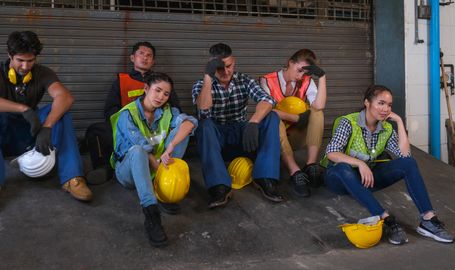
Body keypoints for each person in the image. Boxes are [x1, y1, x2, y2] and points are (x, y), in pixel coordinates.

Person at [0, 31, 92, 211]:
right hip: (2, 136)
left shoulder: (43, 73)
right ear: (9, 55)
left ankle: (73, 178)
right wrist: (23, 108)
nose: (26, 66)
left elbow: (65, 97)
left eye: (30, 60)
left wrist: (47, 126)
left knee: (60, 111)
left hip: (31, 133)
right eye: (20, 60)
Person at [321, 84, 455, 245]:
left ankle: (428, 219)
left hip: (365, 180)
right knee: (344, 168)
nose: (385, 109)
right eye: (381, 103)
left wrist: (398, 122)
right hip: (338, 179)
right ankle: (386, 219)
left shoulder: (386, 128)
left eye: (389, 105)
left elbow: (405, 155)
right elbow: (332, 152)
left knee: (409, 164)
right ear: (367, 102)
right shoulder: (348, 122)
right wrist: (360, 164)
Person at [192, 43, 283, 209]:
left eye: (229, 66)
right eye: (220, 68)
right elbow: (203, 111)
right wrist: (207, 77)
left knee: (272, 116)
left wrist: (254, 122)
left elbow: (268, 100)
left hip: (243, 136)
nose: (226, 72)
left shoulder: (244, 79)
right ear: (212, 66)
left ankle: (266, 177)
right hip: (217, 140)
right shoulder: (201, 84)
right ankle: (219, 186)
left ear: (234, 62)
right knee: (204, 125)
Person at [111, 72, 197, 247]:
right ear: (146, 88)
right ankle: (152, 215)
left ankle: (163, 193)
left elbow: (191, 123)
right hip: (129, 172)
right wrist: (160, 170)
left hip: (156, 167)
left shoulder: (167, 111)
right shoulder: (128, 114)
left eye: (166, 94)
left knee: (182, 131)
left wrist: (172, 145)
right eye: (157, 90)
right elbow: (142, 147)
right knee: (137, 150)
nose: (161, 97)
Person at [85, 41, 180, 185]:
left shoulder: (161, 82)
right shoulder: (121, 80)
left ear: (153, 61)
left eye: (149, 56)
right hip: (127, 126)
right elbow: (110, 109)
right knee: (95, 130)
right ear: (132, 58)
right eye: (141, 54)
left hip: (155, 126)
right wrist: (128, 123)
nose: (145, 58)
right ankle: (105, 167)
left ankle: (164, 164)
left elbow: (175, 108)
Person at [260, 49, 326, 197]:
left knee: (317, 113)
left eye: (305, 73)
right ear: (290, 62)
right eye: (299, 70)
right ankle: (294, 171)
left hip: (297, 135)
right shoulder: (267, 80)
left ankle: (310, 165)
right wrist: (297, 118)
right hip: (275, 138)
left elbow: (319, 105)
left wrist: (321, 77)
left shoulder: (306, 81)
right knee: (273, 119)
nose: (301, 76)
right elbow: (266, 111)